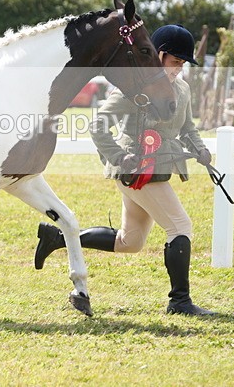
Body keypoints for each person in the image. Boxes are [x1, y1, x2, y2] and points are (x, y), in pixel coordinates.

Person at [33, 24, 216, 316]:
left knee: (129, 242)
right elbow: (98, 125)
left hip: (158, 169)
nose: (179, 69)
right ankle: (179, 302)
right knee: (180, 227)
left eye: (183, 64)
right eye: (176, 62)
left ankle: (58, 239)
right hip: (137, 171)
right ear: (160, 54)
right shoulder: (134, 88)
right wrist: (119, 157)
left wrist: (200, 149)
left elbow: (187, 127)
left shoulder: (180, 88)